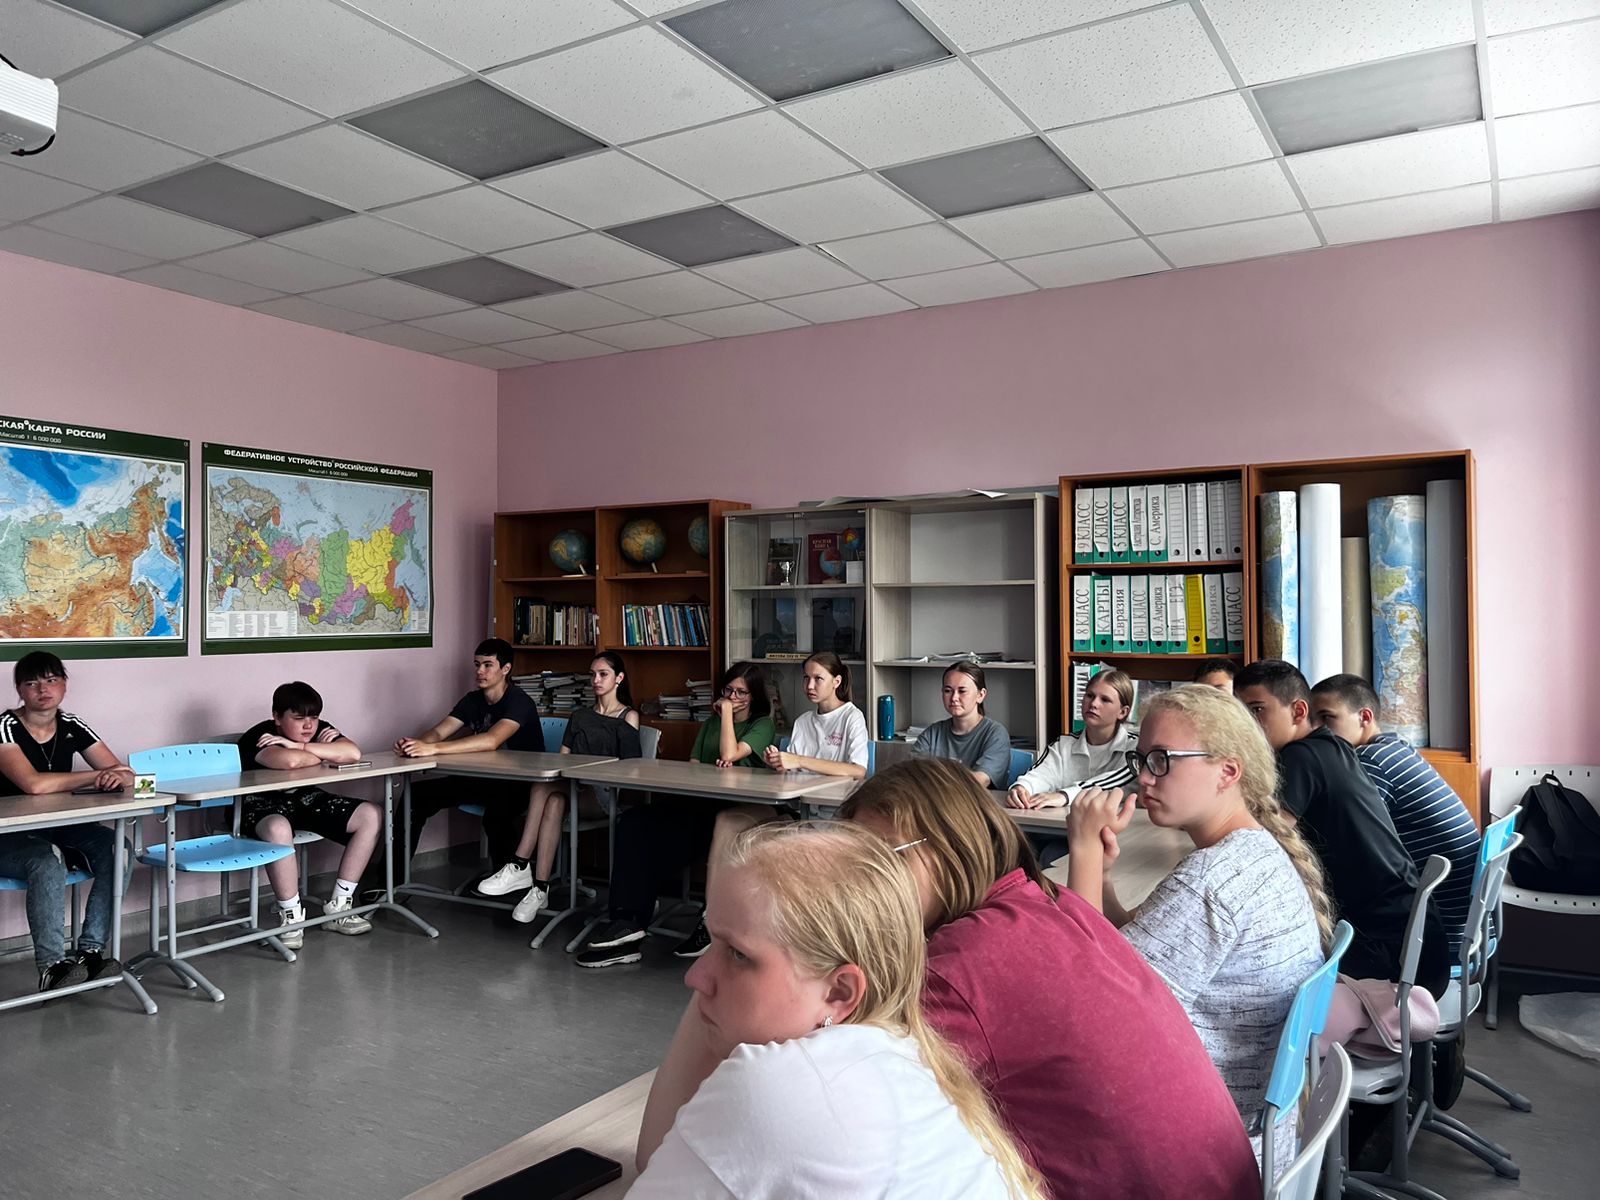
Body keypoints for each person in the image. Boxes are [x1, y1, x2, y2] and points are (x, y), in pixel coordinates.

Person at [841, 759, 1261, 1198]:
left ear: (952, 843)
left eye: (882, 858)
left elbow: (856, 1097)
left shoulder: (962, 969)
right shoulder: (1052, 900)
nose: (864, 884)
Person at [630, 821, 1043, 1199]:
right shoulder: (903, 1054)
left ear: (839, 992)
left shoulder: (778, 1087)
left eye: (739, 955)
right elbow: (660, 1157)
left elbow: (656, 1165)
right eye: (711, 943)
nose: (695, 977)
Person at [1063, 686, 1329, 1168]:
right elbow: (1137, 954)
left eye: (1162, 760)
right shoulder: (1252, 851)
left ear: (1228, 771)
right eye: (1141, 759)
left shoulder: (1212, 881)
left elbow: (1089, 1007)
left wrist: (1081, 848)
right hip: (1253, 1135)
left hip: (1205, 1150)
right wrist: (1100, 879)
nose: (1144, 777)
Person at [1234, 660, 1448, 997]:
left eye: (1257, 710)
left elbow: (1260, 845)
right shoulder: (1331, 747)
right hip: (1418, 942)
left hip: (1390, 954)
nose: (1247, 723)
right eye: (1241, 712)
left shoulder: (1301, 756)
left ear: (1298, 711)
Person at [574, 662, 776, 968]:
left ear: (754, 697)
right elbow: (694, 764)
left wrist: (725, 718)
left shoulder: (762, 725)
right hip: (700, 802)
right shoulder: (711, 723)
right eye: (728, 691)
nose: (732, 698)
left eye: (741, 693)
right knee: (635, 822)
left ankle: (679, 915)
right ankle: (626, 924)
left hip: (735, 811)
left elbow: (729, 754)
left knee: (661, 845)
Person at [1310, 673, 1481, 958]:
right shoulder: (1395, 747)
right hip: (1467, 926)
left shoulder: (1370, 762)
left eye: (1327, 718)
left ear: (1364, 717)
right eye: (1312, 719)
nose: (1316, 728)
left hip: (1436, 933)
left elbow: (1350, 836)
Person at [0, 652, 134, 992]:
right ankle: (53, 967)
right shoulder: (5, 728)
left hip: (58, 826)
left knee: (117, 848)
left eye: (51, 680)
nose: (43, 690)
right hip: (9, 834)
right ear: (19, 690)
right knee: (47, 860)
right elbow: (33, 785)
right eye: (32, 683)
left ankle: (90, 953)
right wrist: (94, 777)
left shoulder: (72, 724)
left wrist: (113, 777)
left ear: (64, 685)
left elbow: (125, 774)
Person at [478, 652, 641, 922]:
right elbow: (562, 759)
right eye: (593, 674)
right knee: (552, 798)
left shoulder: (628, 716)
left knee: (543, 789)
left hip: (605, 793)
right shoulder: (580, 716)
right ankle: (540, 889)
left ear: (619, 678)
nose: (596, 680)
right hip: (575, 788)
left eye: (603, 674)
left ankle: (519, 863)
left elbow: (631, 767)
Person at [237, 681, 381, 945]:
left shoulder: (317, 729)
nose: (309, 726)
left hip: (304, 800)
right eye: (298, 718)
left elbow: (352, 752)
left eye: (313, 718)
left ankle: (339, 907)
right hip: (258, 804)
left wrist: (300, 747)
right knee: (278, 828)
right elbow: (289, 762)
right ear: (277, 717)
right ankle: (291, 915)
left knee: (370, 815)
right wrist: (326, 754)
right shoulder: (261, 735)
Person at [390, 637, 545, 880]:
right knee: (416, 797)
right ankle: (391, 881)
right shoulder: (473, 700)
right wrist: (416, 745)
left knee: (497, 815)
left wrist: (433, 749)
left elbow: (491, 740)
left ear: (506, 669)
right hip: (483, 778)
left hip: (521, 782)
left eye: (487, 665)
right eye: (477, 664)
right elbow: (439, 731)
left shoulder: (519, 701)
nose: (480, 671)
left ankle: (507, 881)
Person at [1005, 668, 1137, 810]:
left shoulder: (1135, 748)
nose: (1093, 704)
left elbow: (1116, 781)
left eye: (1105, 700)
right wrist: (1022, 787)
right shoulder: (1063, 744)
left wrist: (1065, 795)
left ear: (1123, 712)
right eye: (1090, 695)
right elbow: (1041, 774)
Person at [913, 661, 1012, 789]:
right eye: (948, 691)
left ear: (980, 695)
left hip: (978, 801)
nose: (954, 697)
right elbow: (911, 774)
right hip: (935, 799)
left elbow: (980, 780)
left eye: (962, 691)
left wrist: (935, 781)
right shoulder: (932, 733)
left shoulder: (995, 733)